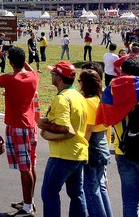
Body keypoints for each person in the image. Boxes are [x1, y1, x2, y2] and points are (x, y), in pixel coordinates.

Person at [96, 56, 139, 216]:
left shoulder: (109, 92)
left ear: (122, 73)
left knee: (130, 202)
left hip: (123, 152)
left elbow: (104, 121)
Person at [38, 61, 88, 217]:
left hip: (62, 154)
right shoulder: (78, 96)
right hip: (79, 152)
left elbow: (65, 128)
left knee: (49, 193)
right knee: (76, 194)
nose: (51, 76)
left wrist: (43, 126)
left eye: (53, 74)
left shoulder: (62, 98)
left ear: (58, 77)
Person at [0, 46, 39, 217]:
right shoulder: (33, 76)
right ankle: (29, 200)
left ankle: (27, 207)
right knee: (31, 164)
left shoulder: (10, 79)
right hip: (31, 125)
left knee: (24, 167)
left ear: (10, 62)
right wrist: (20, 57)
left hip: (17, 126)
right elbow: (29, 68)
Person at [78, 65, 112, 217]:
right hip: (103, 142)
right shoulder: (101, 98)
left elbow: (89, 129)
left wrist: (81, 149)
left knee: (90, 189)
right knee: (99, 187)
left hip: (93, 146)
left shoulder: (88, 102)